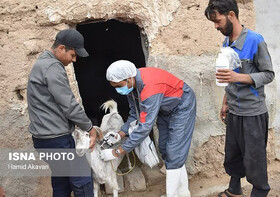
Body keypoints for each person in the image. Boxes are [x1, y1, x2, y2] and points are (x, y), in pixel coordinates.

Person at [205, 1, 274, 197]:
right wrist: (225, 102)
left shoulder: (254, 40)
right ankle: (235, 190)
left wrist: (238, 78)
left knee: (254, 160)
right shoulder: (226, 43)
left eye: (217, 21)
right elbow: (229, 77)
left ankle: (260, 191)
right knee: (233, 155)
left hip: (252, 112)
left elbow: (268, 74)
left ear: (232, 15)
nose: (216, 26)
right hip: (234, 110)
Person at [100, 60, 196, 197]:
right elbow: (135, 115)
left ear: (128, 79)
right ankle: (182, 193)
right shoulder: (131, 88)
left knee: (174, 151)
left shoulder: (149, 88)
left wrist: (117, 152)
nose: (117, 90)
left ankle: (173, 195)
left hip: (182, 106)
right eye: (114, 87)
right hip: (165, 108)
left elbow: (145, 127)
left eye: (119, 85)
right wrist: (120, 134)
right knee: (164, 147)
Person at [27, 29, 97, 197]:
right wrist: (90, 128)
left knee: (61, 182)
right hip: (57, 139)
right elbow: (69, 105)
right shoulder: (52, 67)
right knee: (83, 179)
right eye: (72, 55)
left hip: (43, 139)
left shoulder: (42, 63)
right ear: (61, 48)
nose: (73, 60)